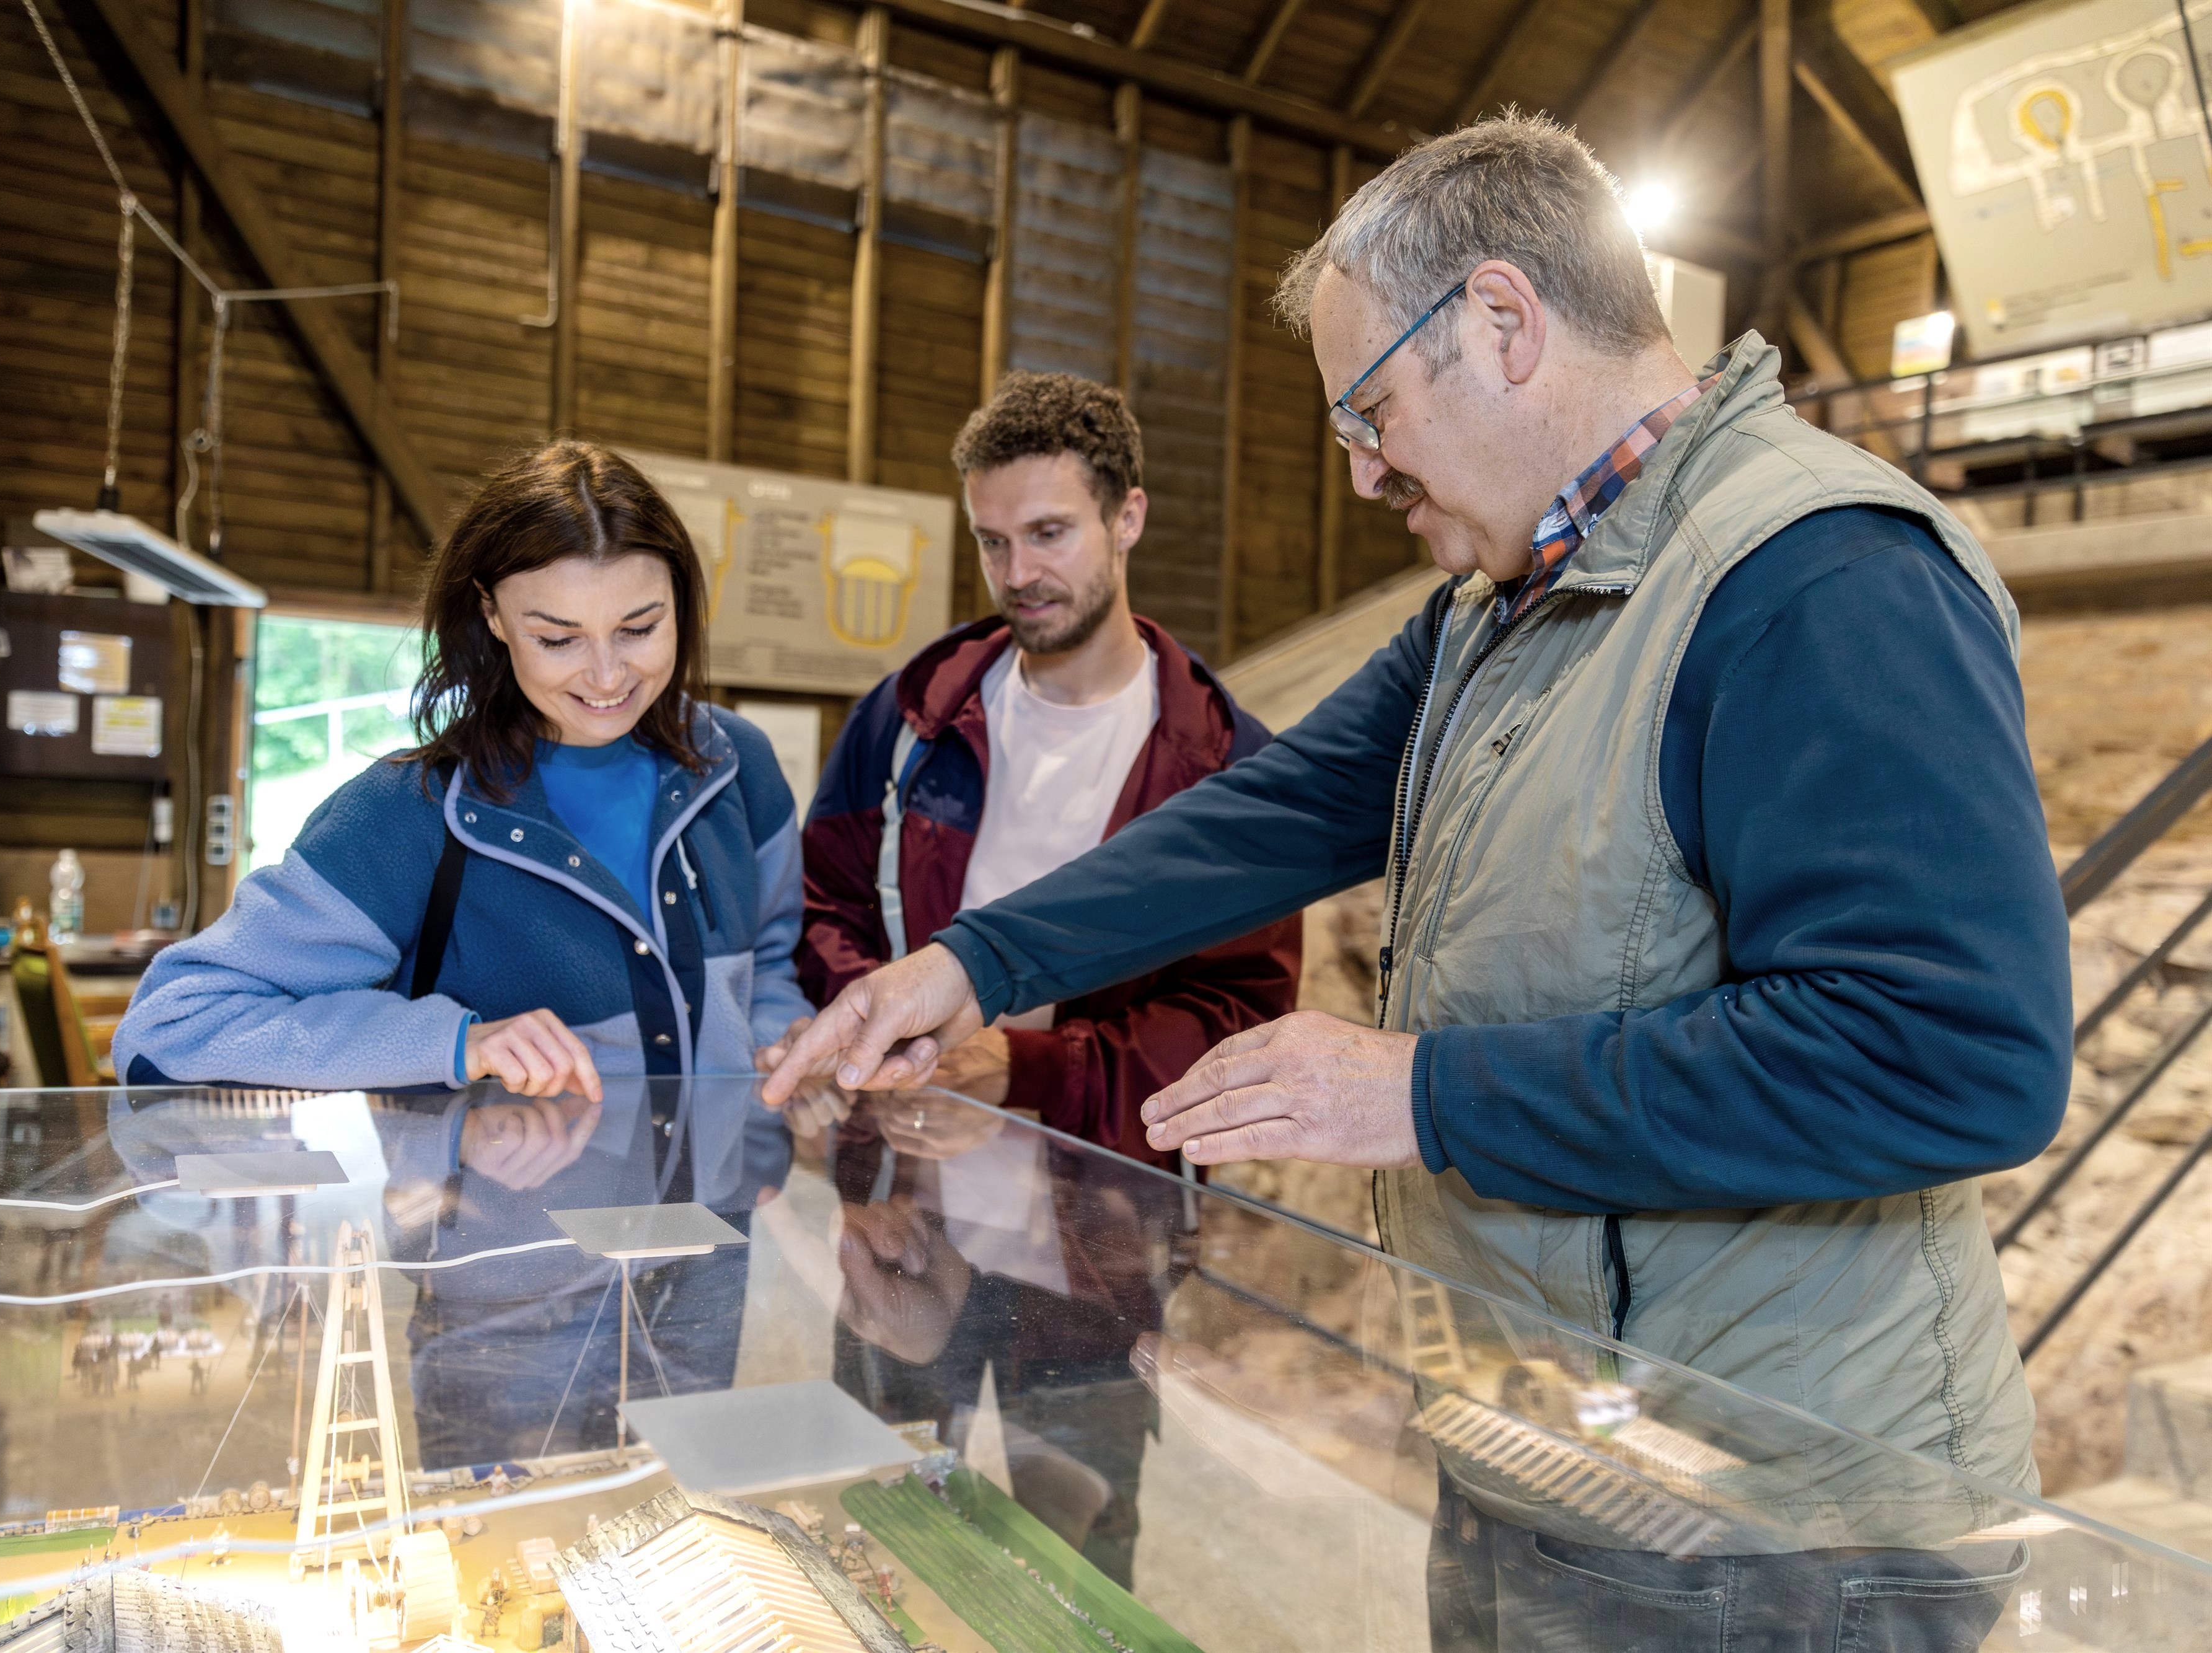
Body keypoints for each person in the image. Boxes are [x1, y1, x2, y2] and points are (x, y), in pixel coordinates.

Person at [768, 115, 2068, 1646]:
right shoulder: (1498, 595)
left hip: (1769, 1520)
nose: (1364, 469)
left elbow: (1950, 1056)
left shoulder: (1819, 576)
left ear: (1503, 322)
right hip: (1554, 1441)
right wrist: (969, 963)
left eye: (1370, 409)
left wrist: (1422, 1093)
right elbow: (1277, 810)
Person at [115, 439, 814, 1119]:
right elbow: (169, 1027)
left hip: (726, 1203)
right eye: (558, 638)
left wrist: (783, 1043)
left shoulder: (738, 763)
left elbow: (769, 971)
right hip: (484, 1205)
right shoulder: (407, 812)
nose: (607, 676)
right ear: (492, 616)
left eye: (639, 628)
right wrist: (456, 1043)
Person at [791, 371, 1299, 1166]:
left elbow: (1238, 1014)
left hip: (1109, 1204)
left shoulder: (1223, 763)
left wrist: (1028, 1069)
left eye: (1048, 533)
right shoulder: (909, 718)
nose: (1018, 573)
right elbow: (823, 909)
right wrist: (891, 1039)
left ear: (1127, 518)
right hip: (901, 1182)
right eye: (992, 541)